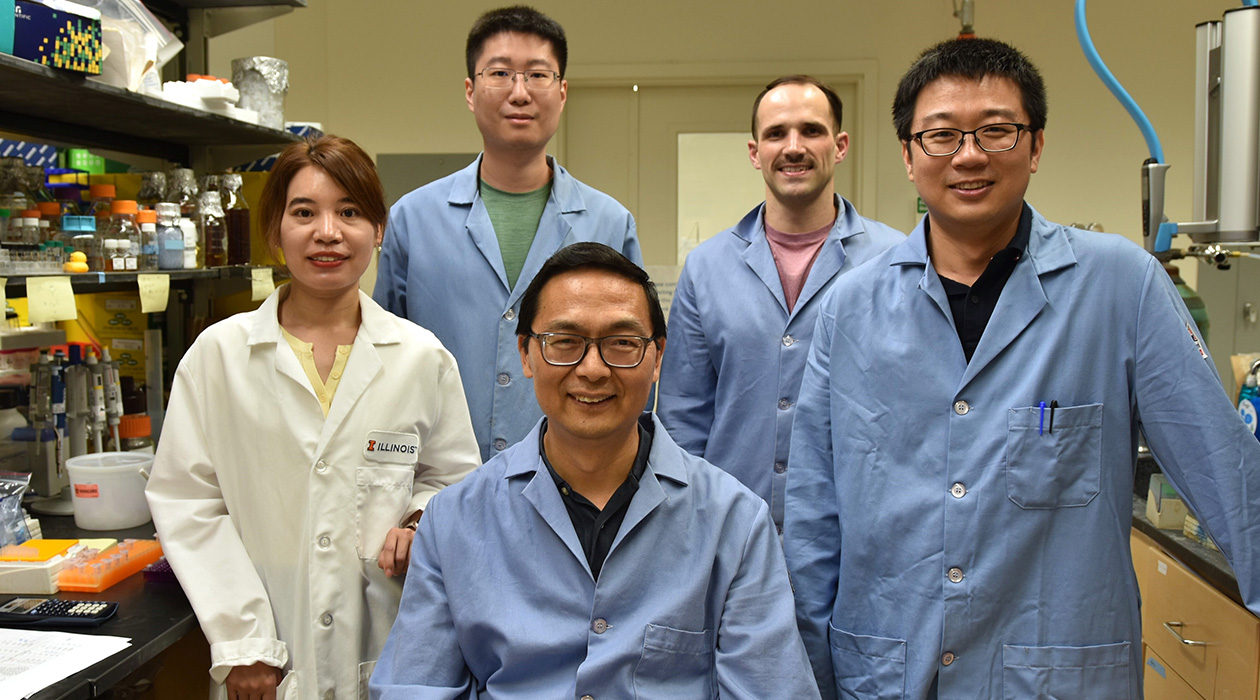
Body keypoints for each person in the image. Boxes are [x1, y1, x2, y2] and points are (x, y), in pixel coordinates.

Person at [784, 38, 1260, 700]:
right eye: (942, 135)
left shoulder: (1120, 286)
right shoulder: (849, 309)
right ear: (908, 154)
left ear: (1036, 146)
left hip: (1056, 679)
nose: (970, 154)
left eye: (996, 131)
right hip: (887, 673)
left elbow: (1228, 474)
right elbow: (812, 516)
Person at [371, 242, 820, 700]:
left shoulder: (735, 522)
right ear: (526, 354)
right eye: (564, 342)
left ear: (658, 357)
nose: (592, 369)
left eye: (622, 344)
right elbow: (415, 687)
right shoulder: (453, 522)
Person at [146, 136, 481, 700]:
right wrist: (244, 643)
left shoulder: (423, 358)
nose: (328, 232)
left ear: (378, 231)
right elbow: (189, 503)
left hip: (391, 650)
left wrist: (420, 520)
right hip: (268, 662)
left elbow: (454, 479)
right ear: (275, 232)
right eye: (304, 212)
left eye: (350, 212)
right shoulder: (219, 356)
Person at [374, 5, 641, 463]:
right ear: (470, 91)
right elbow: (381, 363)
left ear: (562, 92)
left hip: (575, 477)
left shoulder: (609, 223)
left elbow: (634, 360)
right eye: (500, 73)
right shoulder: (413, 220)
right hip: (438, 482)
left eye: (538, 75)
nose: (519, 93)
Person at [657, 75, 902, 530]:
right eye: (776, 133)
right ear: (755, 152)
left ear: (841, 144)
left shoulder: (894, 261)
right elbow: (682, 419)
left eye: (811, 130)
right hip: (728, 529)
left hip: (855, 530)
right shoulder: (706, 268)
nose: (793, 147)